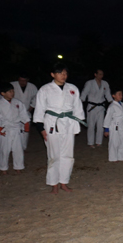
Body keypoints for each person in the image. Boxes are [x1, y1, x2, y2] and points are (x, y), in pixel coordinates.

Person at [33, 63, 86, 194]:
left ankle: (64, 182)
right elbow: (39, 109)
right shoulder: (45, 89)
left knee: (68, 155)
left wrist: (77, 123)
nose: (63, 76)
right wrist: (41, 128)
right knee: (54, 155)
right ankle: (54, 184)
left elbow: (78, 107)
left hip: (68, 123)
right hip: (52, 123)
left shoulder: (72, 88)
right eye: (60, 73)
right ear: (52, 74)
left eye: (65, 73)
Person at [0, 83, 31, 174]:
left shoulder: (17, 102)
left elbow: (23, 115)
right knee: (4, 150)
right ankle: (3, 167)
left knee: (18, 149)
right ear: (3, 93)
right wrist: (0, 129)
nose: (12, 93)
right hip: (5, 129)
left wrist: (26, 125)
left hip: (17, 128)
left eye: (13, 91)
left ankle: (18, 166)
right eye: (9, 91)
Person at [81, 69, 112, 148]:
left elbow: (108, 94)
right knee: (91, 125)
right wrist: (80, 101)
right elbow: (84, 93)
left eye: (102, 74)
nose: (101, 76)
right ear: (95, 74)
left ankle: (99, 141)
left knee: (100, 125)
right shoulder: (89, 83)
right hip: (92, 107)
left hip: (101, 107)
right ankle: (90, 142)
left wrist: (112, 102)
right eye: (100, 74)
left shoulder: (105, 83)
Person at [9, 74, 38, 150]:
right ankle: (13, 147)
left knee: (25, 131)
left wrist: (30, 108)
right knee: (14, 130)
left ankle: (23, 147)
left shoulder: (32, 87)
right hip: (12, 112)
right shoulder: (12, 85)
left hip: (26, 112)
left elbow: (36, 99)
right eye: (21, 80)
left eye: (24, 80)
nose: (22, 82)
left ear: (27, 80)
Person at [103, 88, 123, 162]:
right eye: (119, 94)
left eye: (121, 94)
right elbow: (108, 118)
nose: (121, 96)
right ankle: (113, 158)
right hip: (114, 126)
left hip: (122, 125)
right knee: (114, 142)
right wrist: (106, 129)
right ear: (113, 95)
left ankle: (122, 157)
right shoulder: (112, 106)